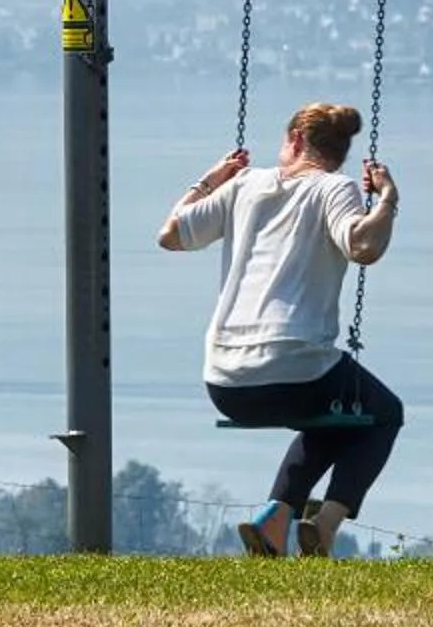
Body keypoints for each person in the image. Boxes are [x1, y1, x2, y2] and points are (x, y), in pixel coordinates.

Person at [158, 101, 402, 557]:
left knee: (333, 416)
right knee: (383, 412)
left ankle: (276, 518)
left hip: (224, 379)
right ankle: (326, 524)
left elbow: (171, 234)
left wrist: (212, 178)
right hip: (295, 370)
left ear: (294, 140)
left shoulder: (244, 185)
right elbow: (363, 246)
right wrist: (387, 198)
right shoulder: (334, 188)